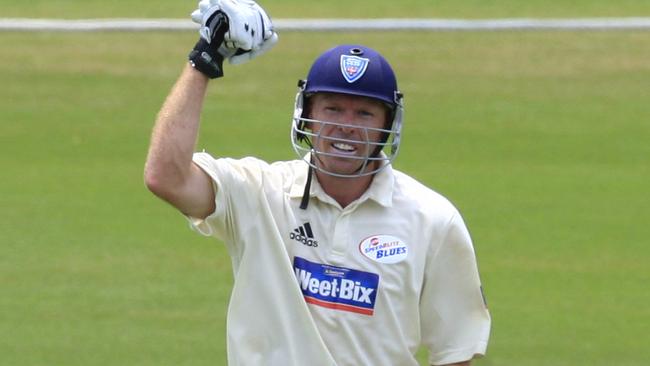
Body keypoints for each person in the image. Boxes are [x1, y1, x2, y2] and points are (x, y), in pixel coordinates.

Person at [144, 0, 491, 365]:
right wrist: (204, 58)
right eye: (333, 109)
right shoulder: (260, 193)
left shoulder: (432, 219)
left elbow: (456, 351)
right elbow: (166, 176)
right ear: (306, 114)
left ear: (388, 124)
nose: (347, 125)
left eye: (365, 113)